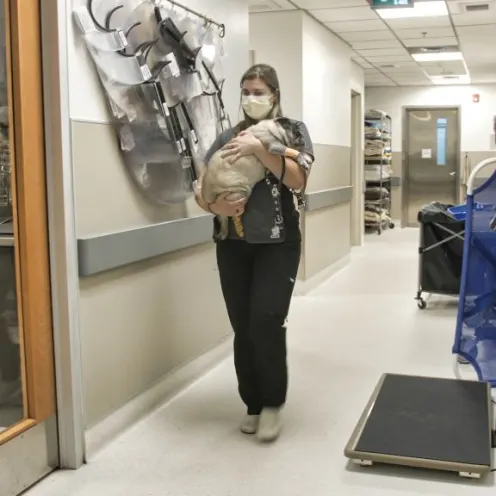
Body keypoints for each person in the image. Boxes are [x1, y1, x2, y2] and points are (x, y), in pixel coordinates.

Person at [195, 64, 314, 442]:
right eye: (246, 90)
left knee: (266, 320)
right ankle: (252, 404)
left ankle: (273, 404)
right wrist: (217, 209)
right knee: (243, 327)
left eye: (259, 91)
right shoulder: (227, 136)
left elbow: (297, 179)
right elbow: (203, 187)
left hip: (278, 245)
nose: (251, 97)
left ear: (275, 94)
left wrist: (260, 149)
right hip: (232, 244)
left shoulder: (291, 131)